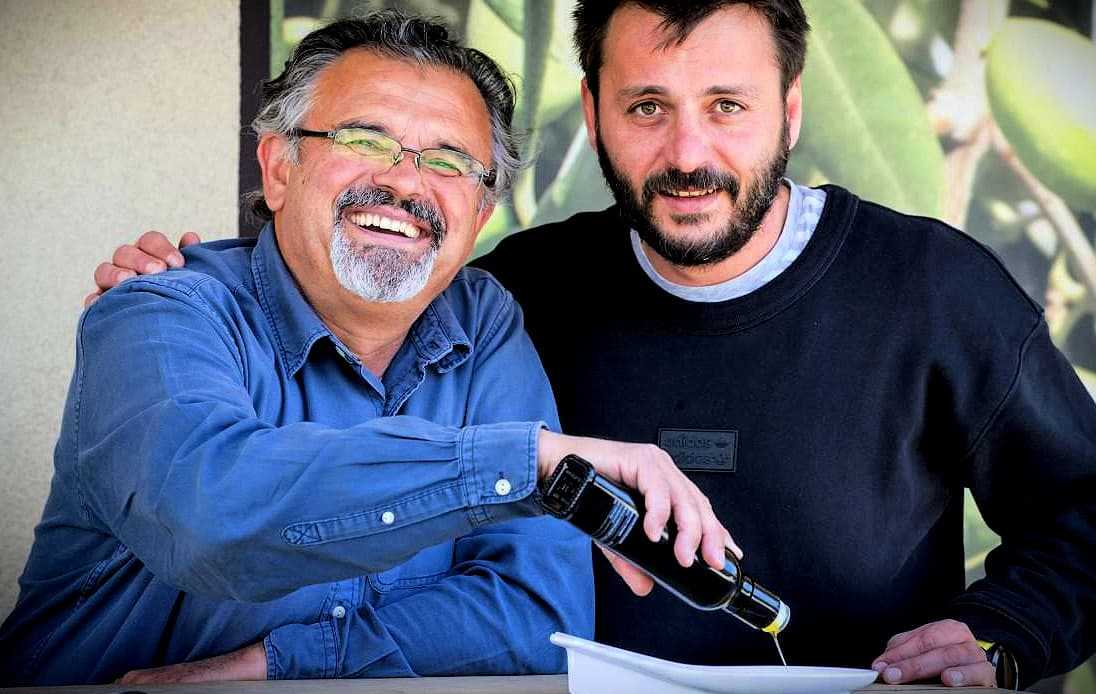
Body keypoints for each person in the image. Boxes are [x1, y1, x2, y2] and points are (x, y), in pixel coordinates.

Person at [86, 0, 1096, 690]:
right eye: (646, 107)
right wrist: (185, 283)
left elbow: (1085, 513)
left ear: (791, 112)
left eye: (727, 108)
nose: (688, 152)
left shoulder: (934, 287)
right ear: (597, 112)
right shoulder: (512, 294)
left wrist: (997, 640)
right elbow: (337, 298)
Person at [0, 11, 736, 687]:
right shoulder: (159, 312)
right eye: (362, 140)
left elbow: (537, 612)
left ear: (480, 212)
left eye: (449, 162)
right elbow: (210, 515)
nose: (403, 181)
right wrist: (520, 464)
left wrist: (277, 662)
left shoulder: (481, 324)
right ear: (279, 167)